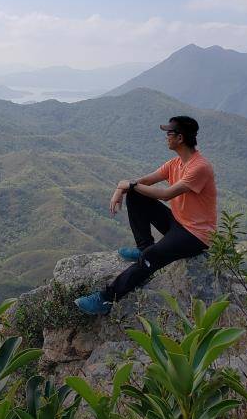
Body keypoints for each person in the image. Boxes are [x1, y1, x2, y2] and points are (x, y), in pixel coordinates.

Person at [74, 115, 217, 315]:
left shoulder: (199, 167)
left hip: (195, 235)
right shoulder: (175, 163)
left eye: (169, 133)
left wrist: (130, 185)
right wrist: (122, 187)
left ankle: (106, 300)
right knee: (136, 194)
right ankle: (144, 248)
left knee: (152, 257)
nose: (166, 137)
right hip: (179, 223)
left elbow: (166, 195)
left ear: (180, 138)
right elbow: (143, 182)